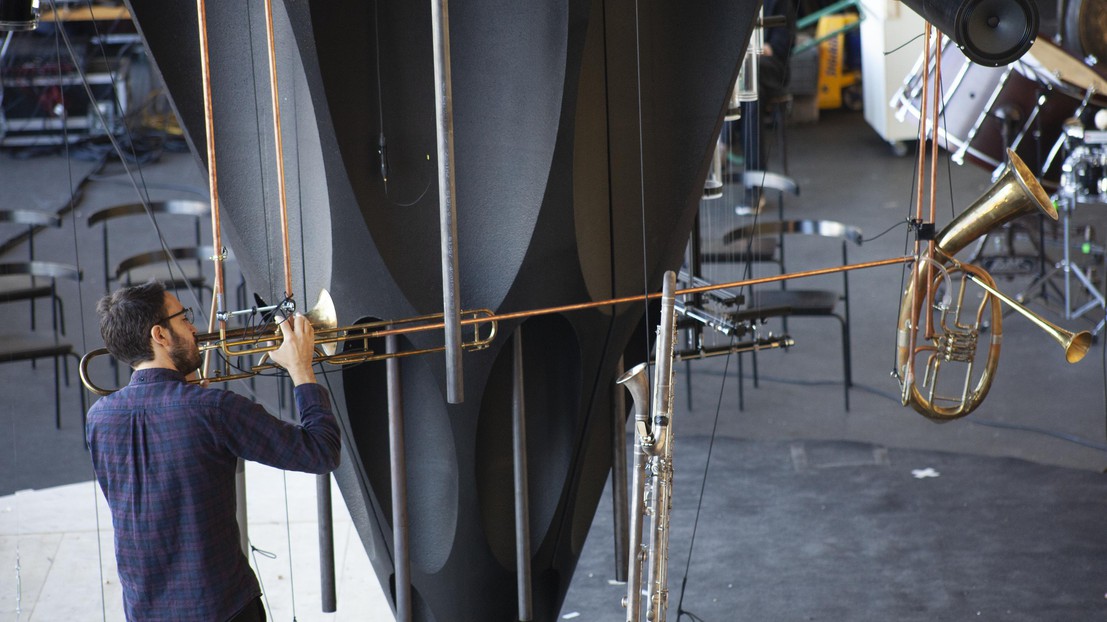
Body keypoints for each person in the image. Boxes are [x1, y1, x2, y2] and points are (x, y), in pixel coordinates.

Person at [86, 281, 342, 622]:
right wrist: (301, 369)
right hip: (222, 608)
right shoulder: (214, 410)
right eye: (183, 318)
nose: (194, 328)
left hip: (145, 608)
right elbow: (321, 452)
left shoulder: (98, 418)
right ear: (160, 335)